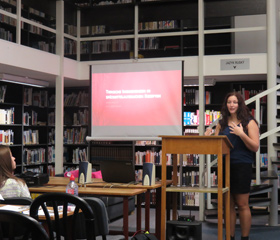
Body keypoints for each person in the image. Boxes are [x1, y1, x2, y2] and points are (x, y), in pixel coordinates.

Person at [205, 92, 259, 240]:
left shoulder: (249, 122)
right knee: (227, 206)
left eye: (235, 102)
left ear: (240, 104)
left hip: (242, 166)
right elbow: (215, 149)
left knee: (242, 204)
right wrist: (208, 138)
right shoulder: (221, 123)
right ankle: (230, 237)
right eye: (229, 102)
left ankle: (244, 237)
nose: (232, 105)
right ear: (226, 105)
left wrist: (241, 134)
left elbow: (255, 147)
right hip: (224, 166)